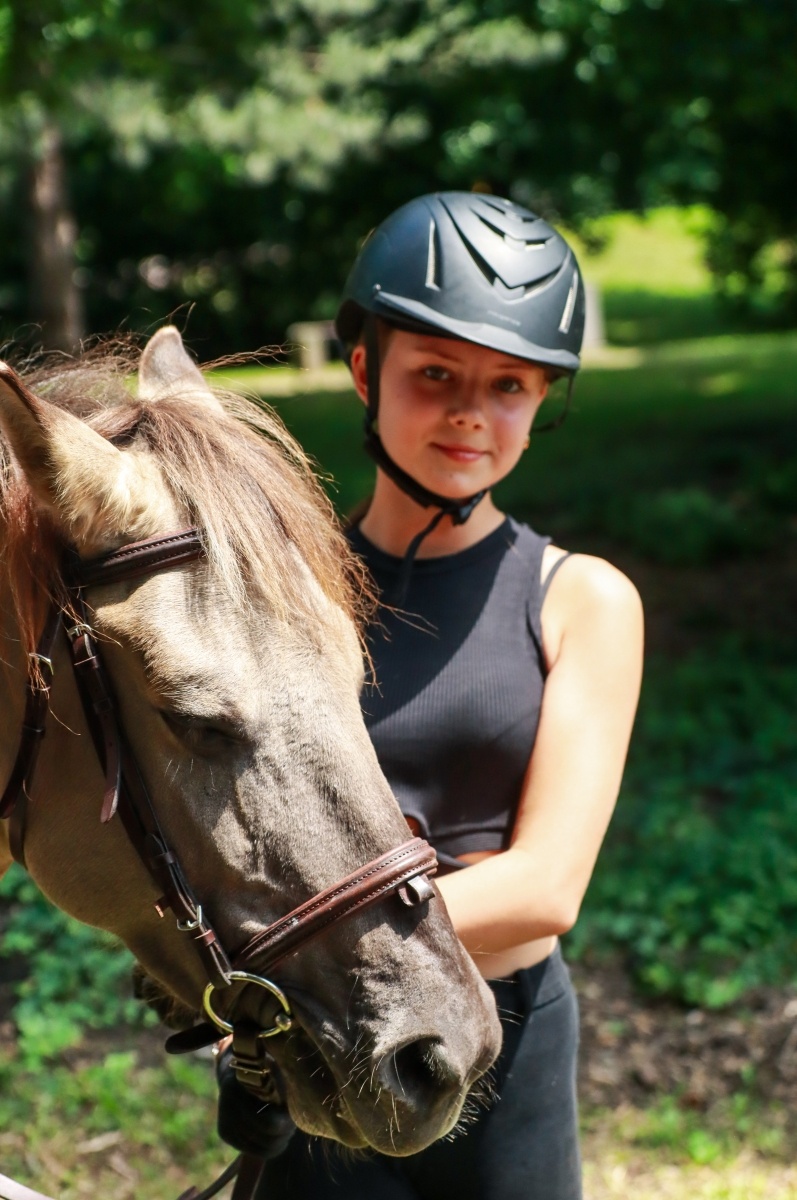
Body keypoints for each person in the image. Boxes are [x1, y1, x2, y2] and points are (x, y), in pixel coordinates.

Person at [218, 191, 644, 1199]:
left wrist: (294, 946)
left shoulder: (578, 599)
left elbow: (545, 886)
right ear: (365, 371)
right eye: (435, 375)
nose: (468, 410)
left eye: (507, 385)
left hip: (504, 1044)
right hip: (323, 1043)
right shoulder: (282, 588)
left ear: (540, 402)